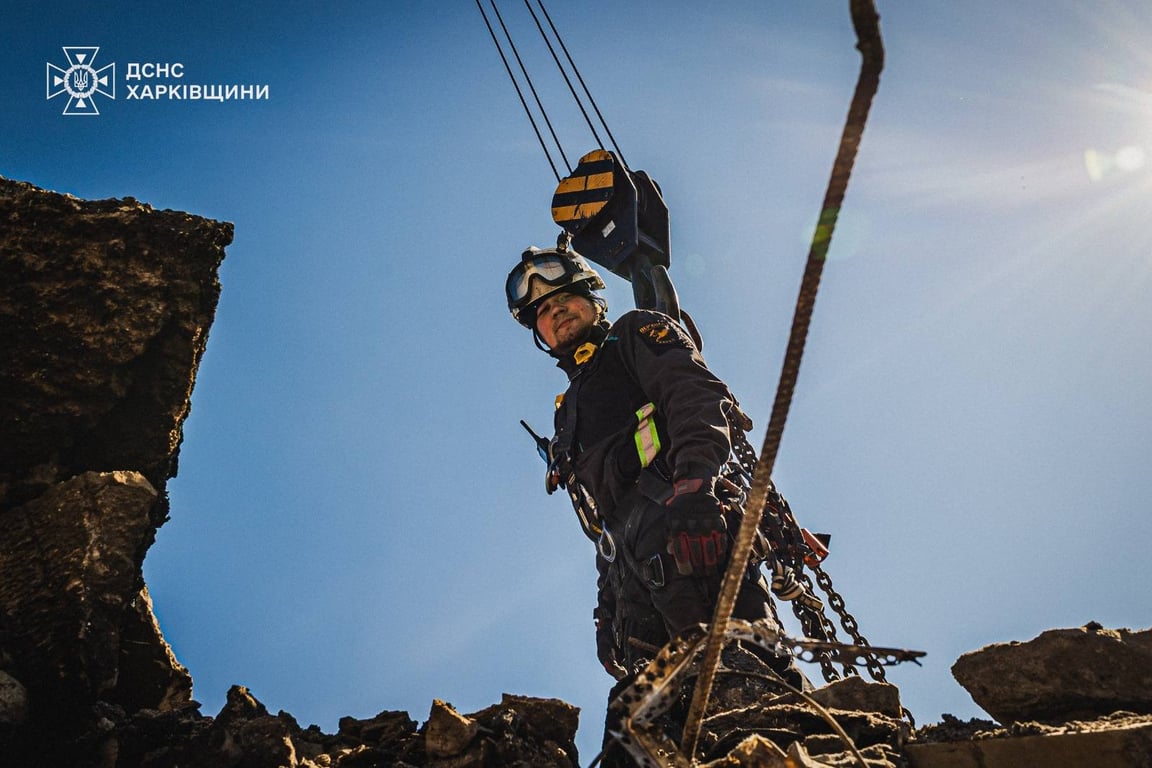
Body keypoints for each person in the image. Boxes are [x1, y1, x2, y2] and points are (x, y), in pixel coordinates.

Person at [505, 244, 806, 691]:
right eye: (544, 312)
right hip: (632, 580)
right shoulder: (566, 417)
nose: (557, 311)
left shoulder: (634, 334)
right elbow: (600, 520)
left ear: (594, 300)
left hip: (686, 531)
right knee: (656, 713)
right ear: (540, 334)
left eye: (565, 297)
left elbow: (694, 397)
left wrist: (696, 487)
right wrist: (607, 608)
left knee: (750, 677)